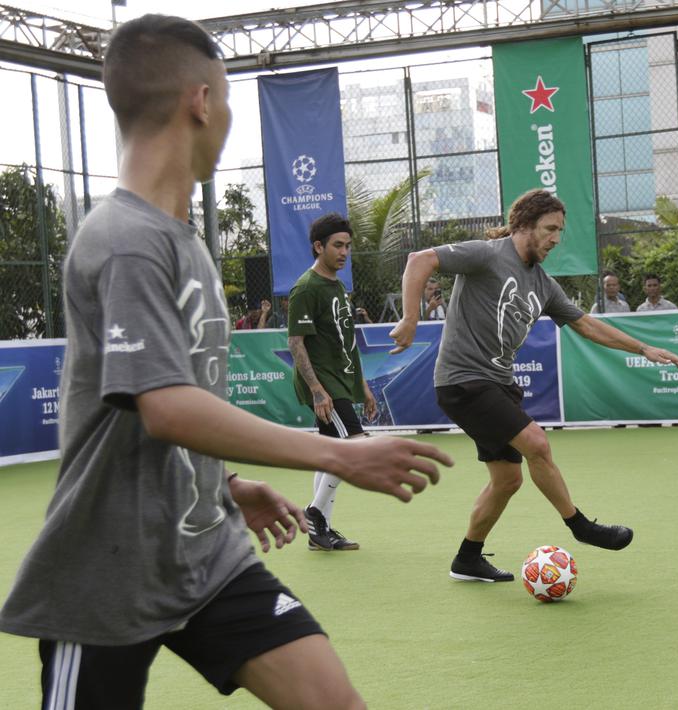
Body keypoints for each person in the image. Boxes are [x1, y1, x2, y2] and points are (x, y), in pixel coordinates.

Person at [0, 15, 452, 709]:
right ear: (202, 101)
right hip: (105, 574)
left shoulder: (180, 241)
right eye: (230, 98)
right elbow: (164, 405)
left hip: (207, 553)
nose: (230, 117)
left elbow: (170, 407)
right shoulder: (124, 239)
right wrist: (335, 454)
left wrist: (225, 481)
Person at [389, 189, 678, 582]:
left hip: (497, 384)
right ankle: (581, 526)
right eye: (550, 229)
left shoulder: (543, 285)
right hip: (464, 380)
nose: (556, 239)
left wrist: (643, 347)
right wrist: (411, 318)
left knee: (507, 480)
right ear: (524, 225)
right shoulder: (488, 254)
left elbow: (585, 324)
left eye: (560, 231)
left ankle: (468, 558)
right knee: (537, 444)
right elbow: (419, 259)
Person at [288, 212, 381, 552]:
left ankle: (318, 532)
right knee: (353, 446)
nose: (344, 252)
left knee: (331, 455)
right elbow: (296, 342)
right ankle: (314, 515)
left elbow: (348, 341)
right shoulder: (306, 288)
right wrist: (316, 390)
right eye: (338, 246)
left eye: (348, 246)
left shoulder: (339, 286)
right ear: (318, 246)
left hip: (341, 382)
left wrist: (364, 386)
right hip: (324, 385)